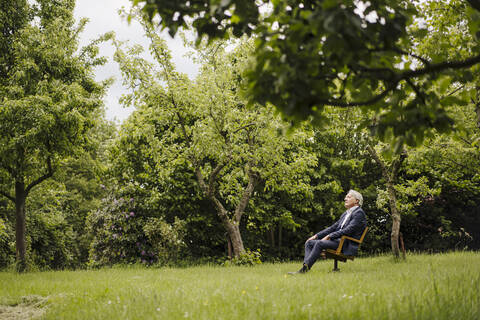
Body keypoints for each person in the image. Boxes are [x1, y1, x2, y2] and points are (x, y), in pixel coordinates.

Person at [289, 189, 367, 274]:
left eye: (348, 197)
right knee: (309, 242)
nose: (345, 199)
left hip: (345, 244)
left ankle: (303, 271)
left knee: (319, 243)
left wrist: (329, 236)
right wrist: (316, 236)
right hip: (337, 241)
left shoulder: (359, 213)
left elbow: (348, 230)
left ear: (356, 201)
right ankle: (305, 267)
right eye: (346, 197)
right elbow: (332, 227)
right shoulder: (346, 213)